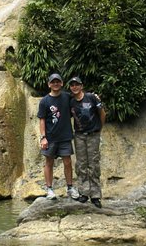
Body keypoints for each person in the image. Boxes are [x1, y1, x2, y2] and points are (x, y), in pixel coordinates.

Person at [38, 73, 80, 200]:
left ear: (61, 83)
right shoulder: (44, 101)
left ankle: (70, 187)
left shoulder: (67, 97)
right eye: (53, 82)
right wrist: (43, 137)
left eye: (58, 82)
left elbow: (79, 100)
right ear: (49, 84)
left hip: (65, 136)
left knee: (67, 162)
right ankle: (49, 189)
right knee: (49, 162)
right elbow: (42, 120)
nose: (55, 84)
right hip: (50, 138)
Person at [68, 76, 106, 208]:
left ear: (81, 86)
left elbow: (102, 113)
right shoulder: (71, 101)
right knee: (81, 164)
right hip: (79, 136)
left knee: (94, 164)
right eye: (72, 85)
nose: (74, 87)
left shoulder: (91, 97)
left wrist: (99, 128)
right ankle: (84, 192)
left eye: (77, 84)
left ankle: (95, 195)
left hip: (93, 135)